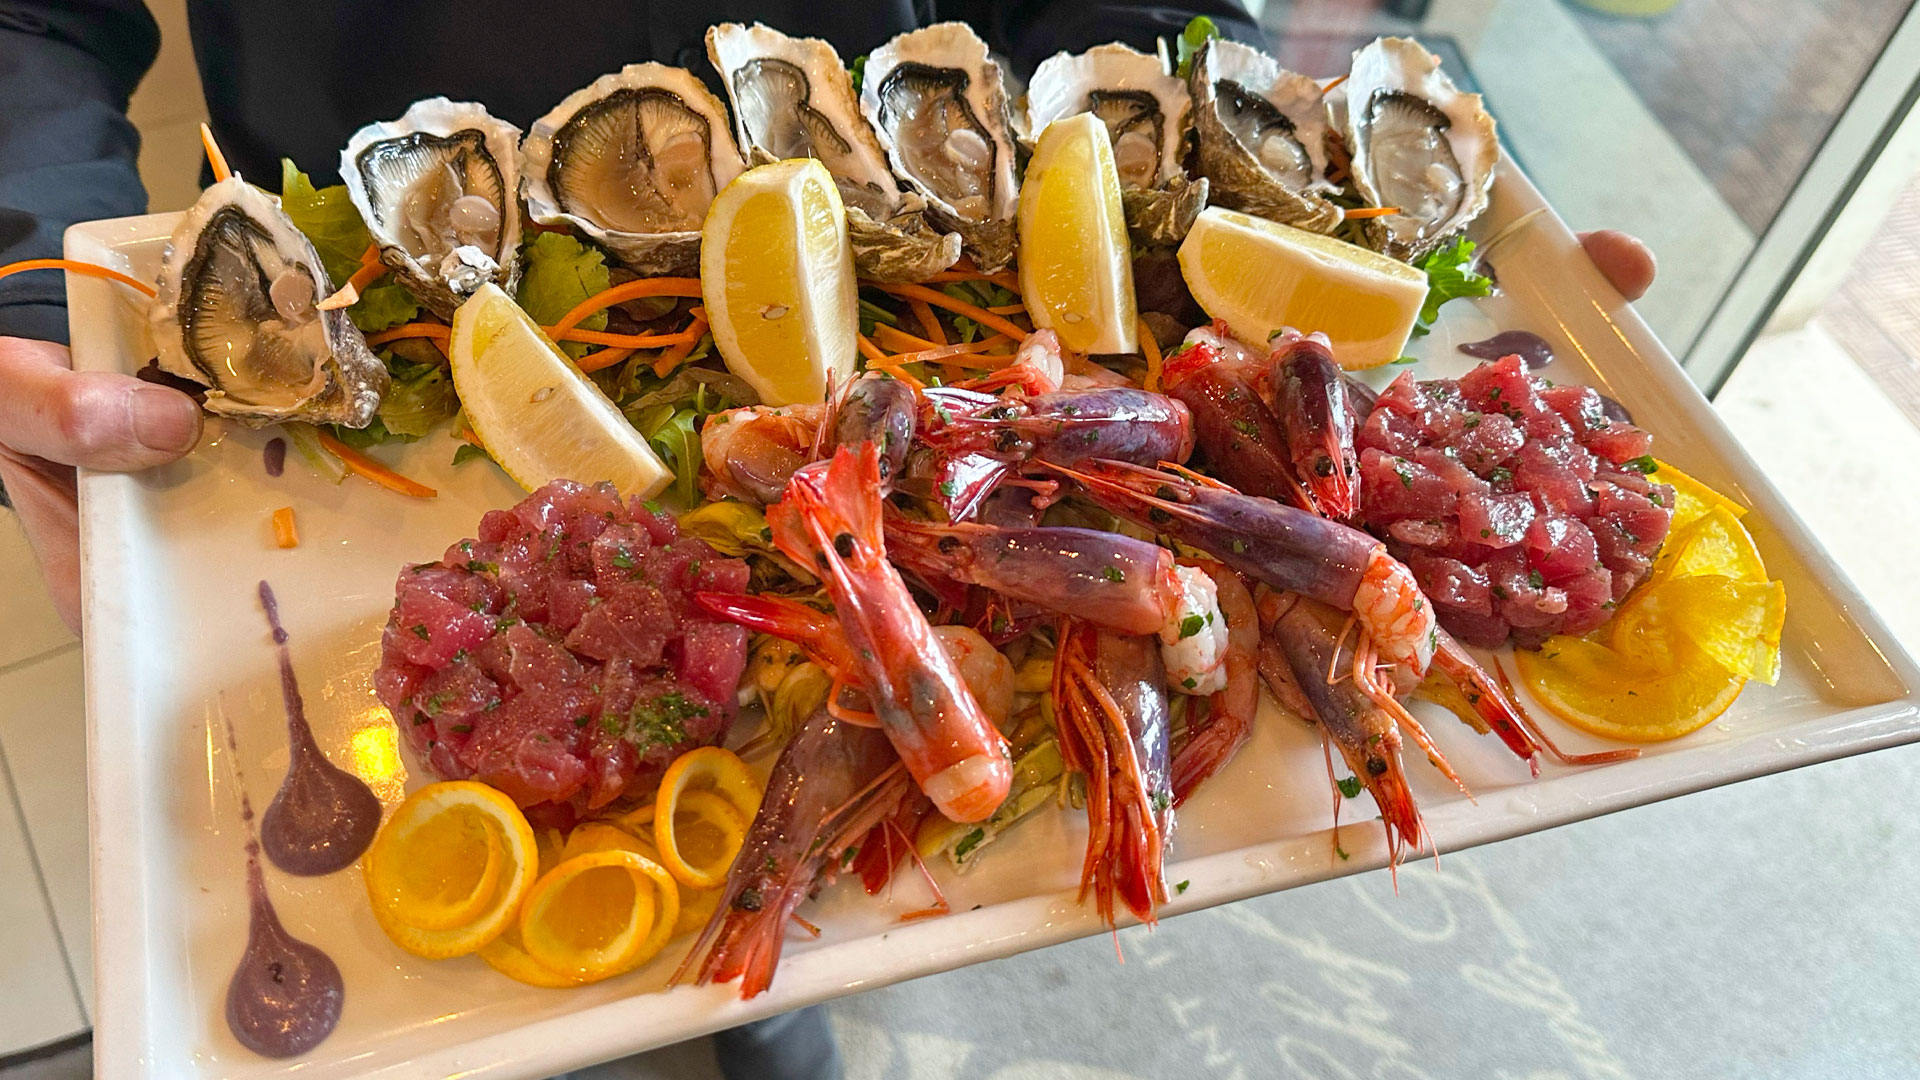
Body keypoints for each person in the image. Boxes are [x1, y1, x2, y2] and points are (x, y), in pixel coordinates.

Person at [0, 2, 1656, 1077]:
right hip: (431, 283)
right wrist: (25, 284)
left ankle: (770, 1007)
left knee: (776, 1000)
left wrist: (1311, 191)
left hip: (958, 282)